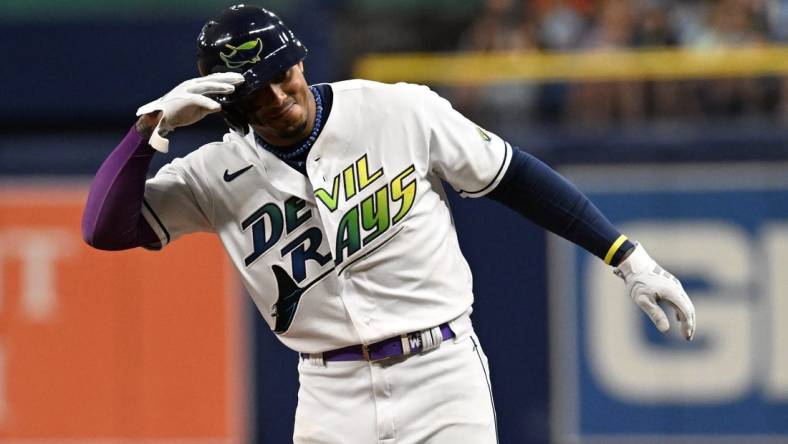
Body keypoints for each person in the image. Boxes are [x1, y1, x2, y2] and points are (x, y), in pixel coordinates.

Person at [82, 5, 696, 444]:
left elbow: (514, 176)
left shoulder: (396, 109)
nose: (274, 97)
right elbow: (103, 228)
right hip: (329, 391)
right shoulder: (214, 172)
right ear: (225, 105)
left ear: (299, 58)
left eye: (280, 74)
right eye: (252, 93)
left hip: (441, 370)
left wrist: (625, 255)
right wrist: (150, 130)